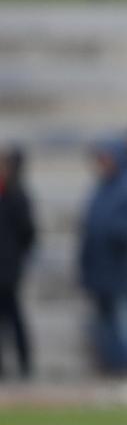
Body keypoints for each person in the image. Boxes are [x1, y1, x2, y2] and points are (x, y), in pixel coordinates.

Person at [79, 138, 127, 374]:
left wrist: (116, 233)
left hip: (123, 266)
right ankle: (112, 363)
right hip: (100, 267)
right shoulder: (103, 186)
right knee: (106, 319)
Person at [0, 145, 36, 380]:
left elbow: (28, 233)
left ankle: (24, 363)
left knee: (13, 317)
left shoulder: (16, 194)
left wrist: (16, 260)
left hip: (9, 269)